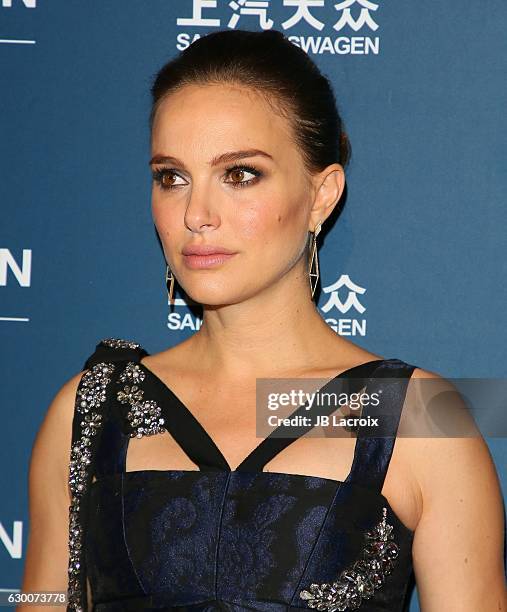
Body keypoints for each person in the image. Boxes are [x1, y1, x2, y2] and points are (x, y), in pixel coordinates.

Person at [20, 29, 506, 612]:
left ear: (322, 195)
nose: (196, 214)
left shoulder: (425, 419)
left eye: (240, 174)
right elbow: (45, 595)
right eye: (171, 177)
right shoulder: (92, 409)